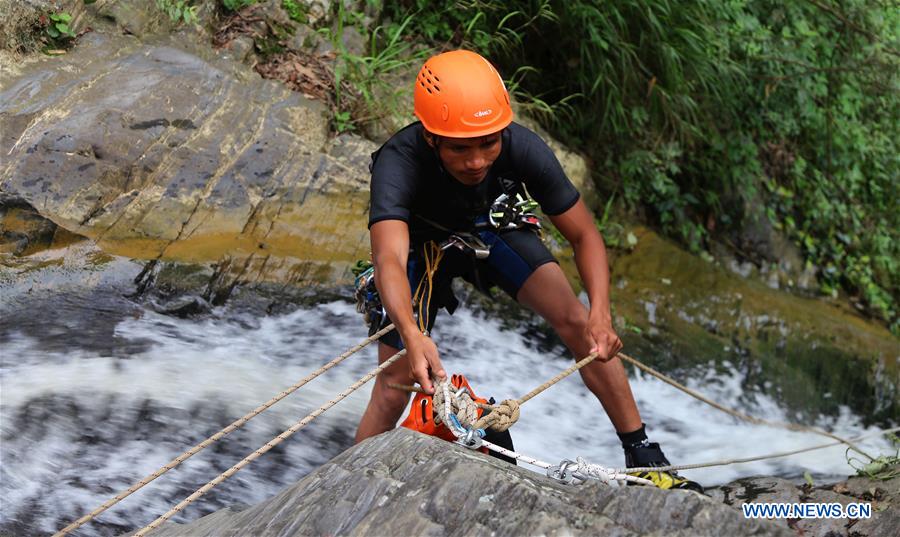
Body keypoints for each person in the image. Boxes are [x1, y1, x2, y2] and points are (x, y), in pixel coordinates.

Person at [353, 49, 701, 492]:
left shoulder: (521, 147)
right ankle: (347, 484)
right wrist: (411, 331)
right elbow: (389, 257)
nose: (477, 161)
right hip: (419, 246)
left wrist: (601, 312)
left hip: (489, 225)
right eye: (460, 147)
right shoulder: (398, 161)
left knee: (580, 324)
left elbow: (585, 235)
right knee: (396, 379)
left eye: (488, 143)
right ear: (430, 137)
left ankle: (643, 455)